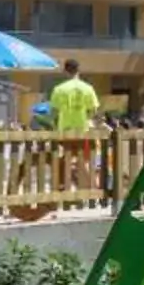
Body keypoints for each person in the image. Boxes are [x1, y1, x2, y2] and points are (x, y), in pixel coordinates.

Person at [48, 58, 100, 190]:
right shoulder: (88, 88)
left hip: (65, 130)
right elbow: (94, 110)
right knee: (84, 161)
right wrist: (86, 118)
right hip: (83, 129)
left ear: (65, 71)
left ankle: (64, 187)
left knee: (65, 159)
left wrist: (54, 124)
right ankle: (93, 188)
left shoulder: (59, 89)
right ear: (78, 70)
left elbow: (53, 111)